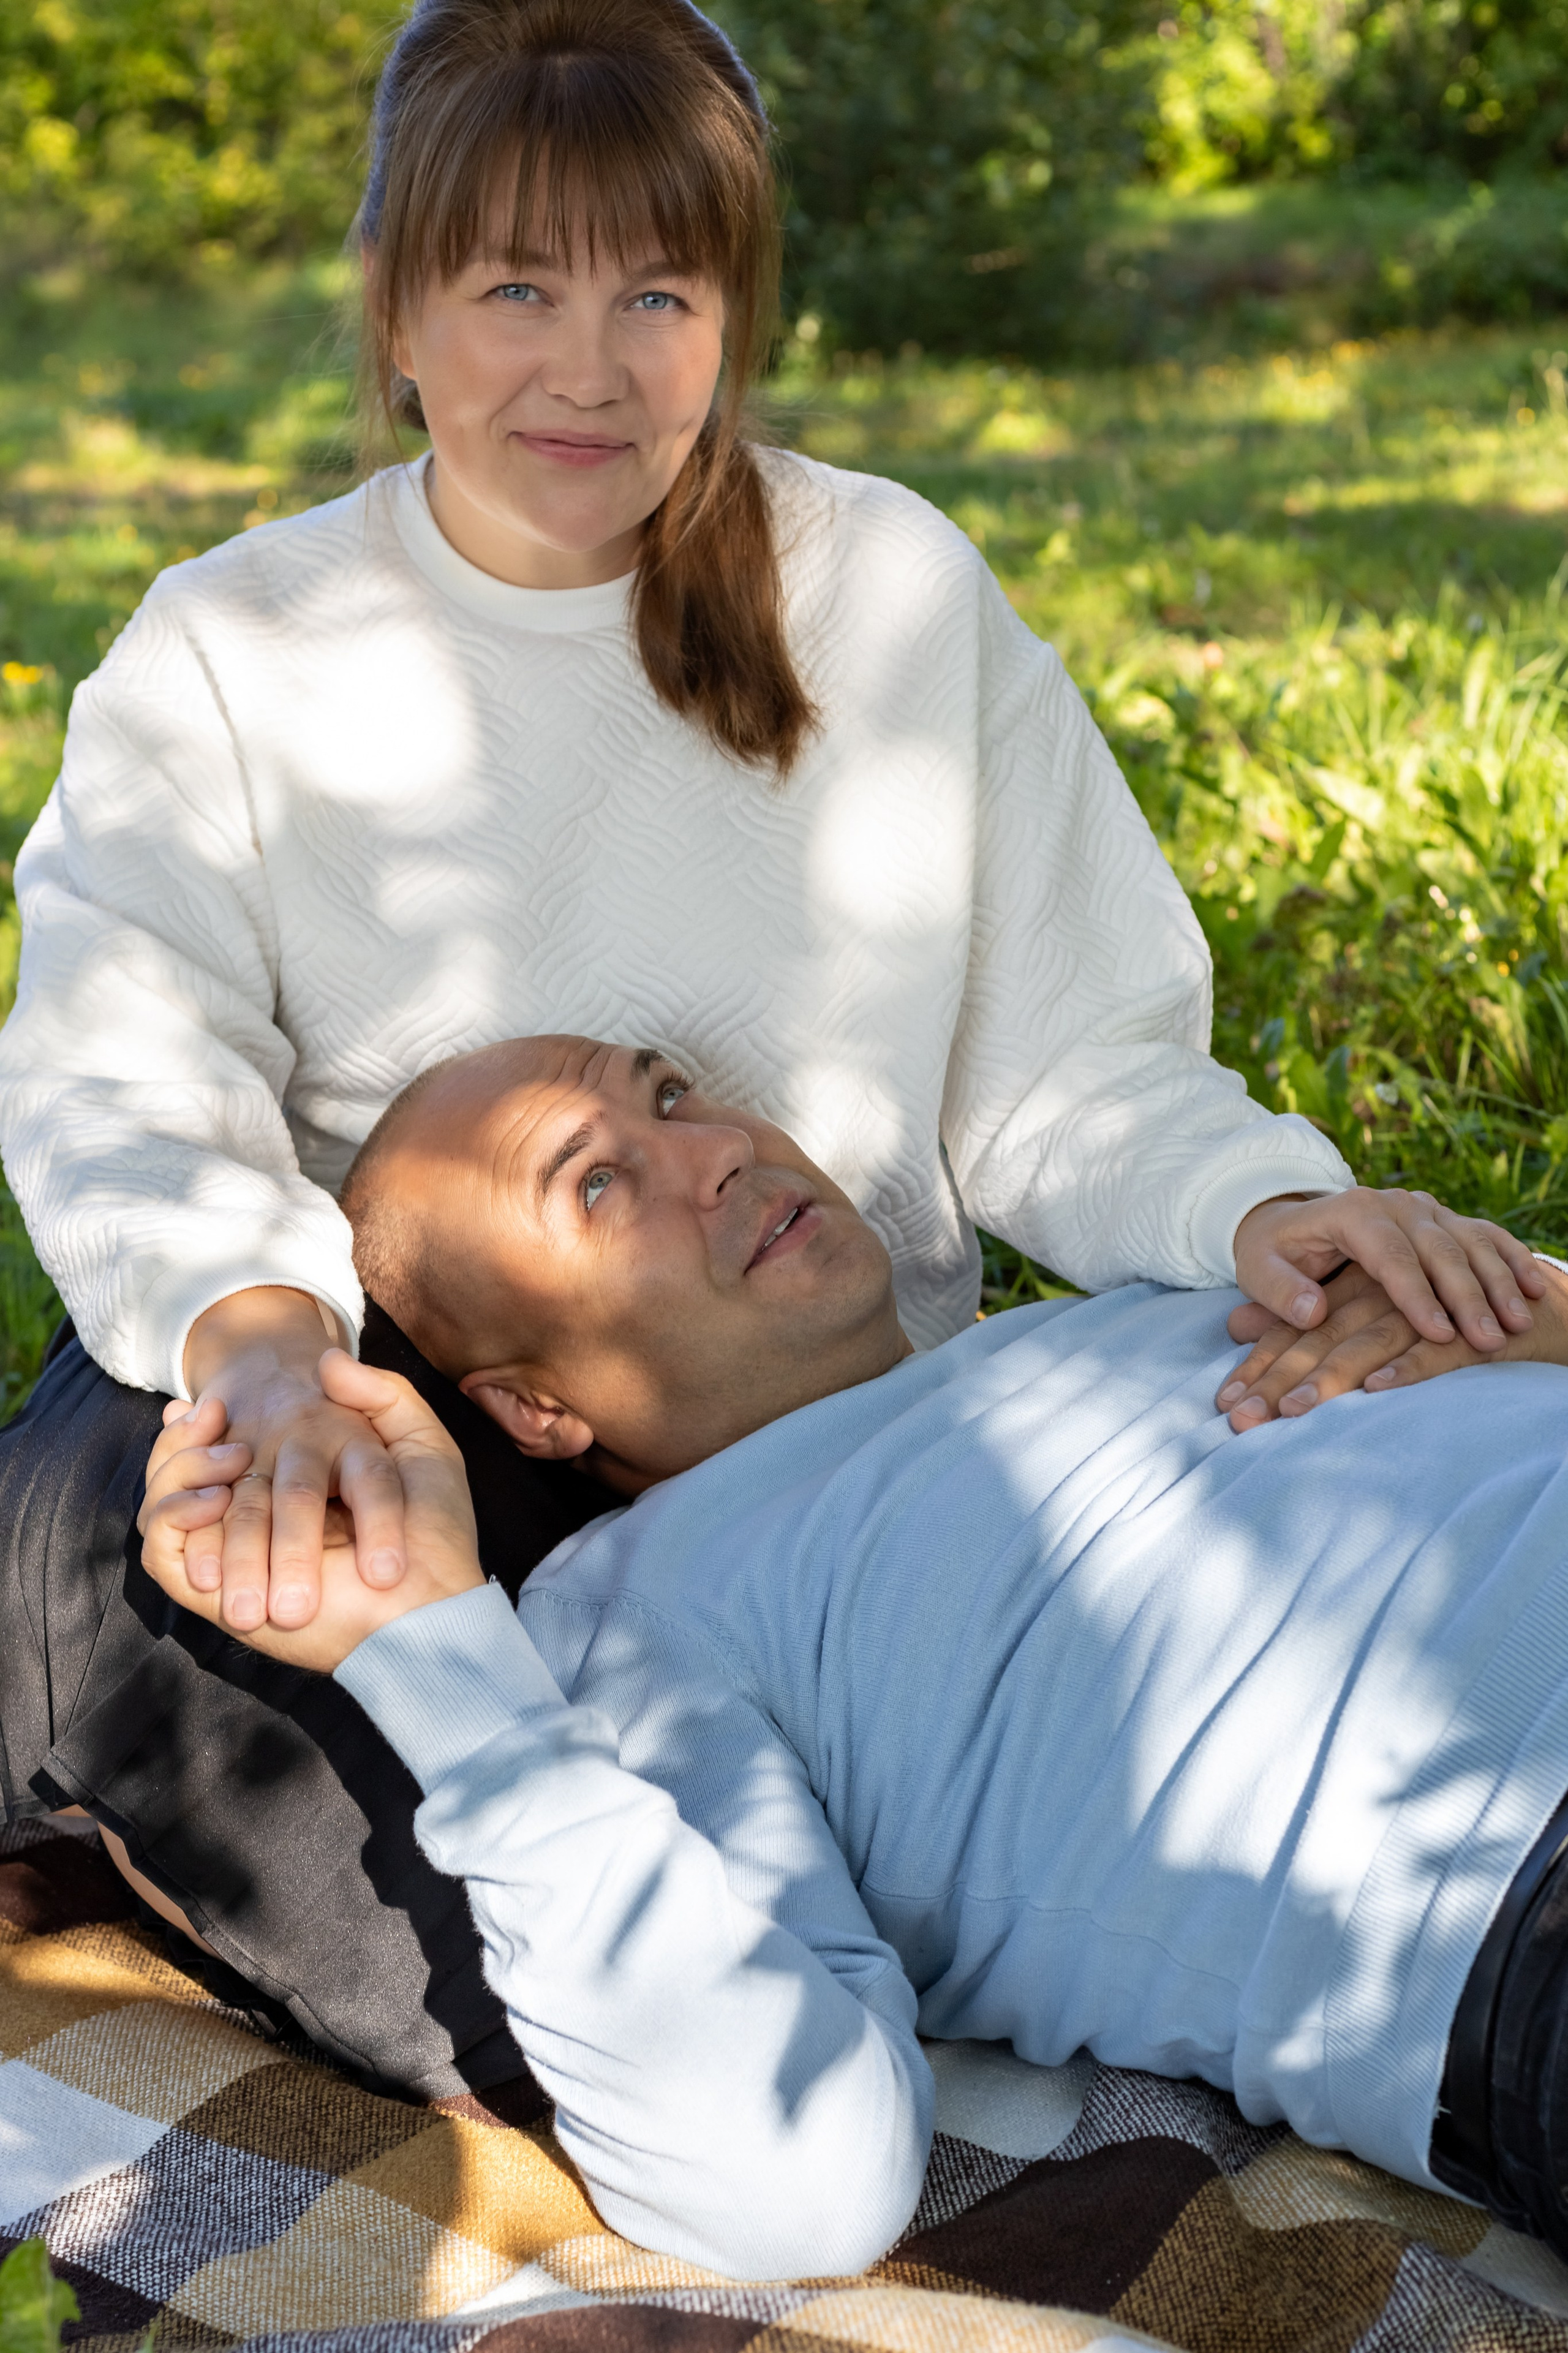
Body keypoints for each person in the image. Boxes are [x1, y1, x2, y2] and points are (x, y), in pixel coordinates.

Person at [0, 0, 1545, 2087]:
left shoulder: (882, 590)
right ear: (395, 305)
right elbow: (124, 1056)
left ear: (740, 310)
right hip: (392, 1394)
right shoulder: (238, 645)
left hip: (831, 1441)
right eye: (515, 285)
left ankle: (758, 1996)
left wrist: (1266, 1208)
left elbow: (1073, 1057)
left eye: (660, 289)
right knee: (129, 1532)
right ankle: (639, 2043)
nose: (588, 364)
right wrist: (260, 1333)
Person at [140, 1033, 1568, 2282]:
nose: (713, 1151)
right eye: (593, 1181)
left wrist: (1533, 1314)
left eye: (678, 1094)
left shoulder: (1125, 1306)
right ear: (532, 1407)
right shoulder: (643, 1608)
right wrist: (436, 1659)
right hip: (1502, 1872)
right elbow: (793, 2169)